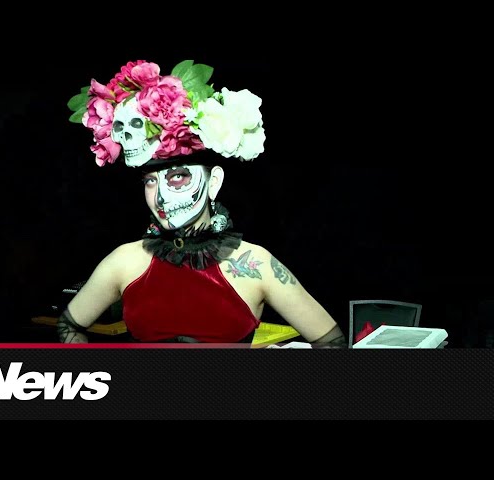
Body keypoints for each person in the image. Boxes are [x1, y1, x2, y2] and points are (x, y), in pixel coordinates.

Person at [58, 59, 345, 345]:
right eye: (150, 181)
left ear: (214, 182)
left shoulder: (257, 264)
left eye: (178, 178)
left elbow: (332, 342)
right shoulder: (123, 262)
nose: (159, 197)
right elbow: (68, 326)